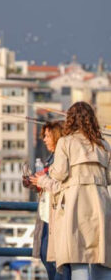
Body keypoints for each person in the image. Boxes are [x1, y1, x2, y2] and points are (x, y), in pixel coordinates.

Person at [32, 102, 111, 280]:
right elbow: (109, 177)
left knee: (78, 256)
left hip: (76, 203)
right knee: (103, 256)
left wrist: (48, 174)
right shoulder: (104, 145)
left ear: (71, 120)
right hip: (101, 202)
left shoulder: (65, 143)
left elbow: (60, 173)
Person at [23, 121, 71, 280]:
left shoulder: (62, 158)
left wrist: (41, 181)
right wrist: (33, 183)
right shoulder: (51, 157)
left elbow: (61, 185)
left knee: (54, 259)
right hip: (45, 214)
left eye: (47, 136)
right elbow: (46, 184)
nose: (44, 139)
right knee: (46, 256)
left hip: (56, 215)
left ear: (57, 137)